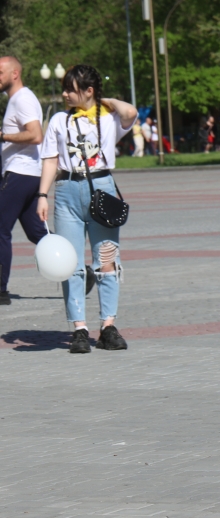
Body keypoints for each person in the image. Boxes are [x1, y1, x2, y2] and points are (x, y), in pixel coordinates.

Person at [35, 64, 138, 353]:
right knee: (71, 264)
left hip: (102, 189)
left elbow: (130, 112)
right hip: (66, 189)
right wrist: (42, 195)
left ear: (89, 91)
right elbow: (50, 159)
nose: (65, 94)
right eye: (64, 89)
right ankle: (79, 328)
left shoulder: (108, 119)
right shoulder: (59, 120)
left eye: (71, 89)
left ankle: (108, 326)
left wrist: (102, 101)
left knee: (107, 259)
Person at [0, 56, 46, 306]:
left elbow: (36, 135)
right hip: (29, 175)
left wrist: (3, 136)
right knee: (37, 232)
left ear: (14, 74)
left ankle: (0, 290)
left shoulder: (22, 99)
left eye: (0, 72)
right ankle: (80, 273)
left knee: (0, 229)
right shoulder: (17, 99)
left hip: (20, 174)